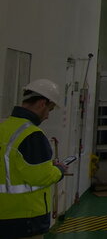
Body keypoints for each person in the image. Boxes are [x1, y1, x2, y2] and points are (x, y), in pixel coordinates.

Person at [0, 79, 68, 238]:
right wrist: (59, 170)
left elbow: (12, 165)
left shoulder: (4, 127)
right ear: (42, 103)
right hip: (25, 218)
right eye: (50, 109)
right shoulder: (32, 135)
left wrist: (47, 165)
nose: (48, 116)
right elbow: (42, 177)